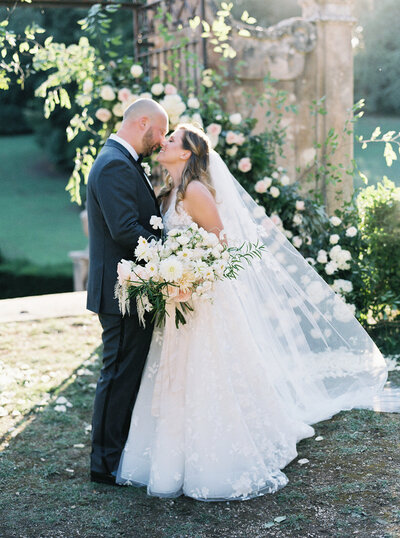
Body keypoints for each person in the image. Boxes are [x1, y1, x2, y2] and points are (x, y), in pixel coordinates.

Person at [116, 124, 388, 500]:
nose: (164, 142)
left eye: (173, 139)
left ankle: (219, 455)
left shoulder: (195, 191)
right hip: (176, 302)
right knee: (174, 375)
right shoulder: (169, 193)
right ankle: (169, 456)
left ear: (187, 154)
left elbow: (221, 243)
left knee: (209, 371)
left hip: (201, 300)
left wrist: (191, 276)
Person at [86, 98, 168, 485]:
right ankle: (104, 465)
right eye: (161, 132)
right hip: (120, 293)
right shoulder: (115, 164)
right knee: (117, 375)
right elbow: (124, 230)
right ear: (144, 122)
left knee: (124, 374)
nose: (161, 140)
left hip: (130, 288)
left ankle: (115, 455)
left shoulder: (119, 160)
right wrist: (169, 254)